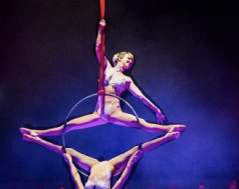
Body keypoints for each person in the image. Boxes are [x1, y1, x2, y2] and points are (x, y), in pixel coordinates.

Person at [20, 19, 186, 137]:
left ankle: (169, 129)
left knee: (142, 124)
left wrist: (156, 110)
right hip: (99, 114)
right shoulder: (106, 68)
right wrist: (100, 30)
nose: (130, 62)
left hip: (114, 112)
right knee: (69, 125)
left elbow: (141, 97)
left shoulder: (127, 81)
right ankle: (37, 133)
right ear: (119, 59)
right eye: (128, 58)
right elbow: (98, 48)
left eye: (132, 61)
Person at [22, 132, 180, 189]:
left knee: (67, 151)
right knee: (136, 149)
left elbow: (75, 177)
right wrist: (131, 163)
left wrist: (70, 163)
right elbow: (122, 180)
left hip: (93, 166)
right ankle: (169, 136)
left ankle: (36, 139)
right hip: (111, 167)